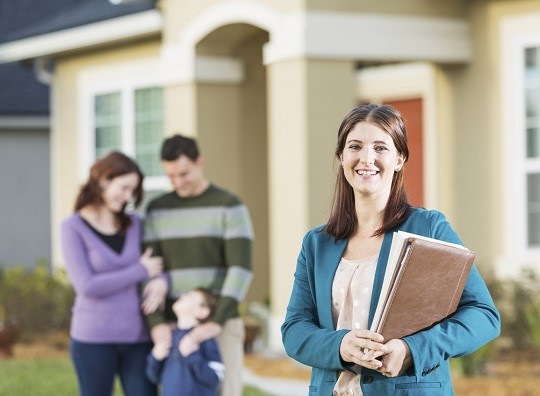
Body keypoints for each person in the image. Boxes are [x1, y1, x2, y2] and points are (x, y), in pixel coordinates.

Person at [281, 104, 501, 395]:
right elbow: (295, 329)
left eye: (381, 147)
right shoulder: (317, 243)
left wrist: (413, 349)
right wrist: (340, 345)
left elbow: (483, 315)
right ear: (342, 156)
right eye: (355, 146)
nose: (366, 158)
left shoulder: (429, 228)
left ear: (399, 158)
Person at [142, 134, 254, 396]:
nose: (177, 182)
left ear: (200, 162)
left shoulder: (229, 205)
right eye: (170, 176)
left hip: (221, 324)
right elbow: (148, 271)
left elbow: (240, 269)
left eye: (183, 173)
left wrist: (215, 322)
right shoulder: (157, 209)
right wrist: (157, 322)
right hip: (174, 326)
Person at [61, 151, 163, 396]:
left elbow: (157, 265)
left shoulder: (135, 224)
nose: (128, 197)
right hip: (93, 340)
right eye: (124, 188)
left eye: (133, 191)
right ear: (103, 180)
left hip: (137, 338)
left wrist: (161, 282)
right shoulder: (72, 228)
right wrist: (139, 270)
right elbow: (87, 285)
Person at [146, 288, 225, 396]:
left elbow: (214, 378)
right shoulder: (169, 337)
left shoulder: (205, 340)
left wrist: (193, 356)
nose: (182, 295)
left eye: (190, 296)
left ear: (202, 312)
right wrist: (155, 358)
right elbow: (155, 377)